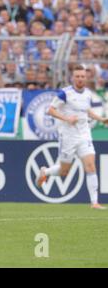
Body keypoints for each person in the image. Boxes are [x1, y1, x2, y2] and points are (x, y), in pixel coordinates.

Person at [37, 65, 108, 209]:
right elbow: (50, 110)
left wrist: (101, 119)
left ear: (86, 78)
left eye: (82, 76)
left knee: (91, 165)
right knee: (64, 171)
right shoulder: (64, 93)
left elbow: (86, 110)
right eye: (78, 76)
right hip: (68, 136)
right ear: (72, 78)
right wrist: (66, 118)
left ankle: (94, 202)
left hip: (84, 133)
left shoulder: (88, 93)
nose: (80, 79)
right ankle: (46, 172)